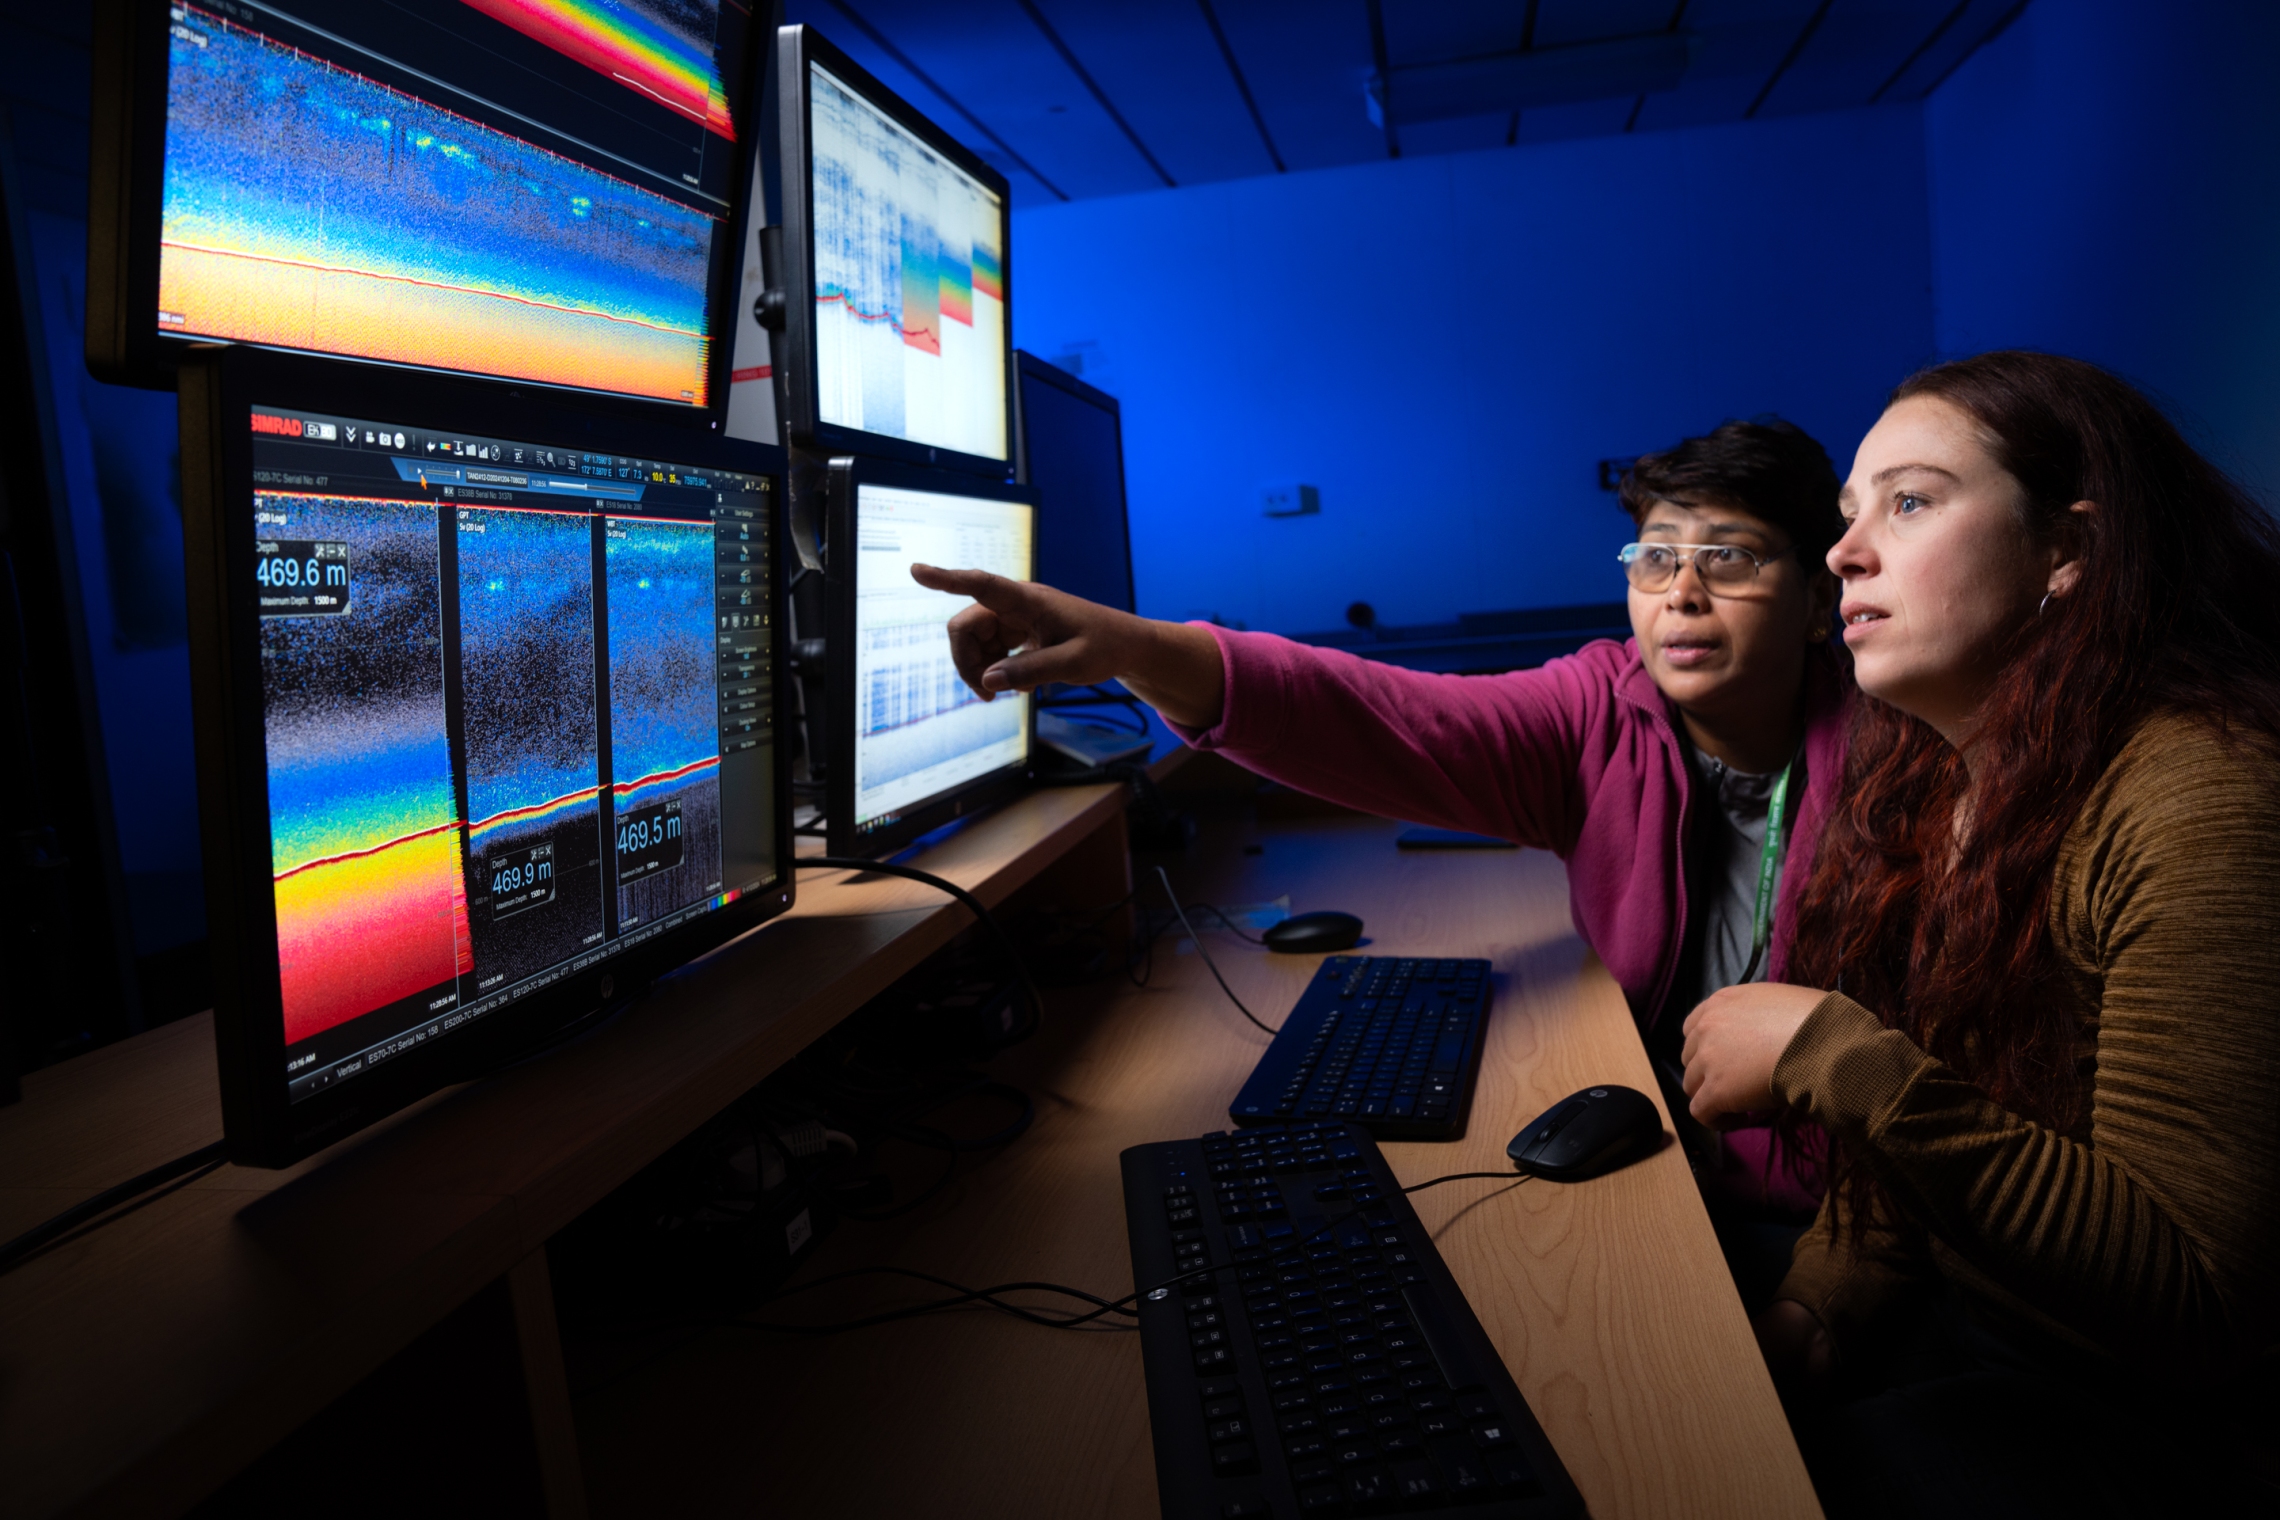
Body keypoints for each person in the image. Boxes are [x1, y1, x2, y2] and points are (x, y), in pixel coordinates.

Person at [914, 418, 1850, 1277]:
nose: (1682, 591)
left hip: (1839, 1220)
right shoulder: (1600, 712)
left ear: (1818, 599)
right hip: (1677, 1169)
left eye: (1730, 558)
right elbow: (1383, 718)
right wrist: (1132, 647)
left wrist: (1832, 1279)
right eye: (1654, 558)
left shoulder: (1897, 755)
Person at [1678, 352, 2280, 1515]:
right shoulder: (1945, 786)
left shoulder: (2204, 796)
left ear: (2070, 551)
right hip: (1975, 1315)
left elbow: (2196, 1302)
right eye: (1848, 517)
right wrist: (1822, 1308)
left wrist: (1830, 1051)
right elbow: (1938, 1154)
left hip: (2142, 1410)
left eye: (1908, 501)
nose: (1845, 551)